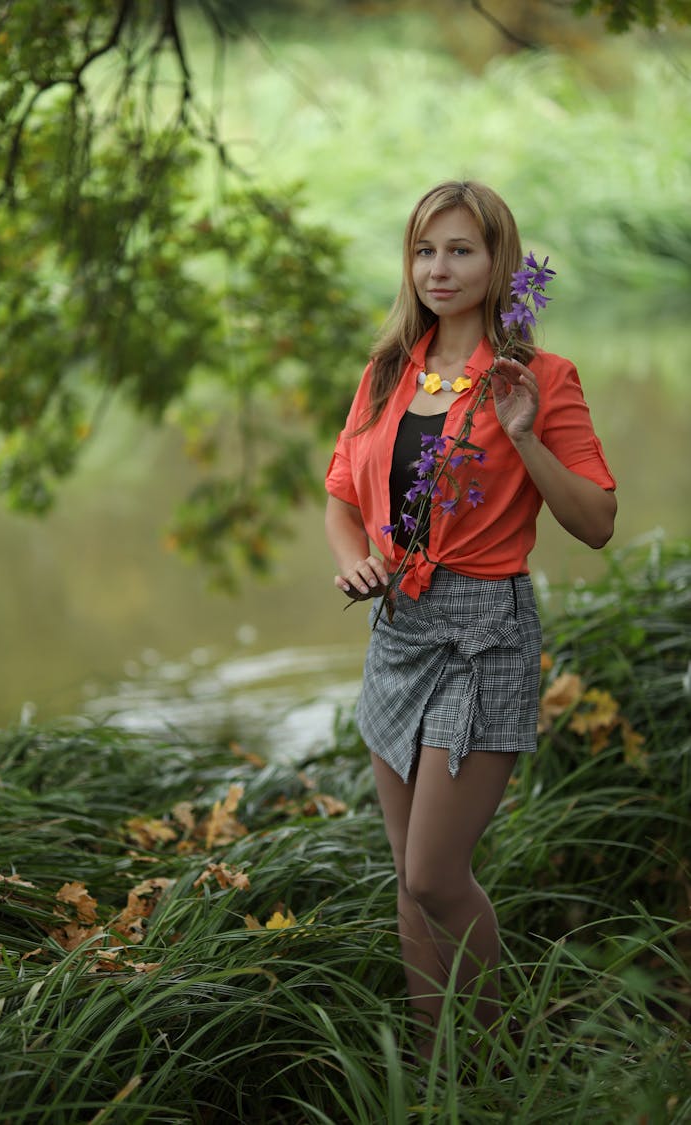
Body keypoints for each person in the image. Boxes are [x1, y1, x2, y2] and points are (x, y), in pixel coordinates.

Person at [324, 180, 616, 1065]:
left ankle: (493, 1065)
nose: (439, 269)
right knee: (408, 892)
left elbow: (598, 521)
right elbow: (340, 496)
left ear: (500, 263)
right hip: (398, 632)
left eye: (461, 250)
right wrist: (355, 559)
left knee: (434, 875)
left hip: (483, 636)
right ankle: (431, 1069)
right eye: (424, 250)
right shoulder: (387, 371)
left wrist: (524, 433)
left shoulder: (540, 377)